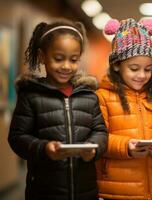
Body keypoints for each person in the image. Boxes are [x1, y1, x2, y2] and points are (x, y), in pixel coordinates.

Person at [8, 20, 108, 200]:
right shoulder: (31, 96)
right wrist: (44, 148)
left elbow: (100, 131)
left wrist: (93, 148)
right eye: (59, 58)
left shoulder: (89, 96)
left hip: (85, 191)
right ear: (42, 56)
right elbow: (17, 138)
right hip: (45, 190)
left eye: (74, 59)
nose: (66, 66)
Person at [95, 18, 152, 200]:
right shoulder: (103, 96)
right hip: (116, 191)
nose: (142, 75)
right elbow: (99, 137)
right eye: (134, 68)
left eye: (147, 69)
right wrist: (126, 147)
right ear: (116, 65)